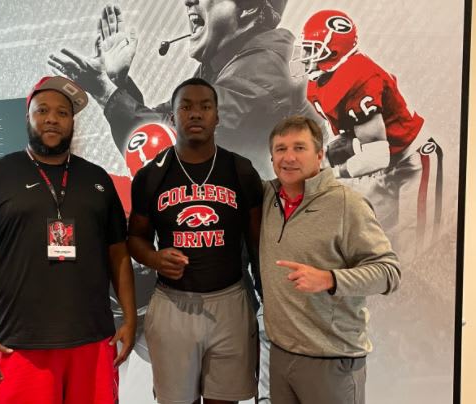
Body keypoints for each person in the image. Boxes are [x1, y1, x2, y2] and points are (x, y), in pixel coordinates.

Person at [0, 76, 137, 404]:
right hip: (18, 343)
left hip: (92, 342)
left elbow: (118, 253)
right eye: (43, 110)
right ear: (28, 117)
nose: (52, 118)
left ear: (72, 122)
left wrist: (130, 316)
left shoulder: (97, 180)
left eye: (62, 112)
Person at [48, 0, 322, 179]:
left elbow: (173, 143)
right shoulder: (223, 63)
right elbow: (158, 130)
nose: (189, 1)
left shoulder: (264, 73)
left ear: (248, 8)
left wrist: (107, 93)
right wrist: (118, 82)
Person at [128, 78, 262, 404]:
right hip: (174, 302)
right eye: (186, 107)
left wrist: (268, 301)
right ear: (173, 118)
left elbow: (259, 246)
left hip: (230, 300)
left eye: (205, 106)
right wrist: (155, 259)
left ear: (218, 116)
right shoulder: (151, 175)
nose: (196, 114)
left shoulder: (241, 170)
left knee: (224, 400)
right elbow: (135, 240)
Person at [260, 115, 401, 404]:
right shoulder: (267, 197)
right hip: (280, 355)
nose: (288, 157)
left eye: (299, 148)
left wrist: (330, 279)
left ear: (320, 154)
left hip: (331, 359)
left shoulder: (346, 203)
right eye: (280, 149)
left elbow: (389, 272)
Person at [290, 9, 442, 260]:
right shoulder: (321, 80)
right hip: (387, 163)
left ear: (333, 51)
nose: (306, 57)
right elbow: (350, 138)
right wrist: (322, 160)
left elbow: (376, 156)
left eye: (312, 49)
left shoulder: (359, 78)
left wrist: (332, 173)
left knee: (417, 250)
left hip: (414, 159)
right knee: (373, 239)